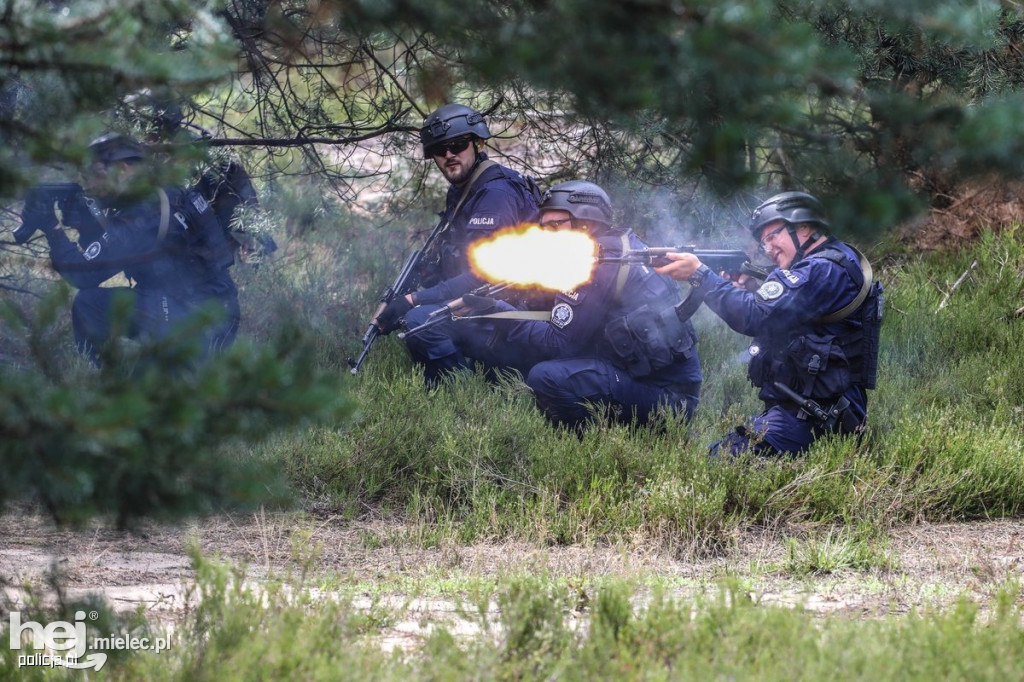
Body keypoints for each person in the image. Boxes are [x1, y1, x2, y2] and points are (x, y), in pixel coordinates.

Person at [423, 180, 702, 432]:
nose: (549, 234)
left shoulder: (597, 264)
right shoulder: (616, 247)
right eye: (545, 227)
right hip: (648, 380)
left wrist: (498, 311)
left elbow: (559, 343)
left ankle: (582, 441)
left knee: (546, 376)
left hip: (669, 402)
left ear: (586, 224)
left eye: (557, 226)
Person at [655, 191, 884, 456]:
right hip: (809, 411)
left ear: (803, 226)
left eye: (773, 235)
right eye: (764, 241)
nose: (768, 248)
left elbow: (755, 316)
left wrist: (701, 276)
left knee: (716, 462)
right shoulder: (830, 262)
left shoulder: (822, 269)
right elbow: (788, 310)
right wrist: (752, 287)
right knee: (719, 455)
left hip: (816, 418)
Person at [23, 132, 240, 366]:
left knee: (88, 304)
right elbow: (129, 247)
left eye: (95, 174)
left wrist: (51, 227)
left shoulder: (143, 215)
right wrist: (86, 223)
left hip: (190, 322)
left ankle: (97, 380)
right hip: (218, 312)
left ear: (123, 169)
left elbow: (82, 273)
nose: (91, 185)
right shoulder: (169, 192)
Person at [372, 103, 541, 379]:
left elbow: (484, 278)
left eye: (458, 144)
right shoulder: (463, 189)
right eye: (440, 150)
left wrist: (414, 299)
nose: (449, 155)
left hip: (517, 314)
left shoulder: (495, 195)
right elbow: (463, 260)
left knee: (420, 320)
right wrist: (429, 274)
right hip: (488, 303)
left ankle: (462, 389)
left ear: (478, 143)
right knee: (415, 312)